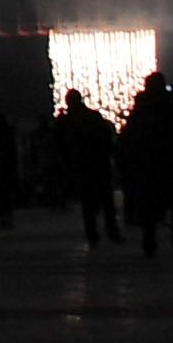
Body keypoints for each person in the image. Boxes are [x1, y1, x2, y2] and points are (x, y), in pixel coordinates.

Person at [117, 72, 173, 259]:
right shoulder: (170, 103)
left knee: (150, 208)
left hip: (149, 163)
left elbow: (131, 134)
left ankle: (149, 244)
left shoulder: (142, 106)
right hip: (171, 160)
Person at [53, 87, 120, 247]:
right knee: (105, 201)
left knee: (88, 203)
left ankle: (93, 234)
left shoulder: (67, 122)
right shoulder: (93, 117)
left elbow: (60, 144)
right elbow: (107, 137)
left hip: (82, 165)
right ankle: (111, 231)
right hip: (98, 163)